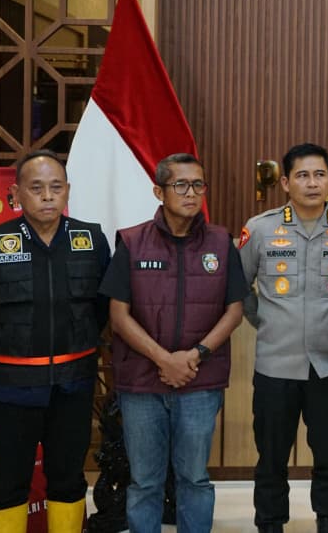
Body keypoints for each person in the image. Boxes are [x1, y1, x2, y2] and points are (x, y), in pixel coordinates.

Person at [0, 149, 110, 532]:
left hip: (73, 387)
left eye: (56, 187)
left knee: (68, 480)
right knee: (8, 484)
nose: (47, 196)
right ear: (16, 194)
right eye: (36, 188)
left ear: (67, 190)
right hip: (9, 390)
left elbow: (102, 309)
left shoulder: (91, 239)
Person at [100, 153, 246, 533]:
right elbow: (118, 316)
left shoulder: (221, 242)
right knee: (144, 481)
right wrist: (164, 359)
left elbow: (234, 310)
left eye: (198, 185)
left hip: (200, 382)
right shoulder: (132, 242)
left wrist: (196, 355)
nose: (191, 193)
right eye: (181, 185)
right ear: (159, 191)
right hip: (141, 383)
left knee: (194, 478)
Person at [239, 143, 328, 533]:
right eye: (302, 175)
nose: (312, 183)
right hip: (275, 365)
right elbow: (240, 288)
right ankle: (270, 522)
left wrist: (326, 318)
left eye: (319, 175)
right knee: (271, 456)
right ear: (285, 183)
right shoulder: (260, 229)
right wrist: (268, 322)